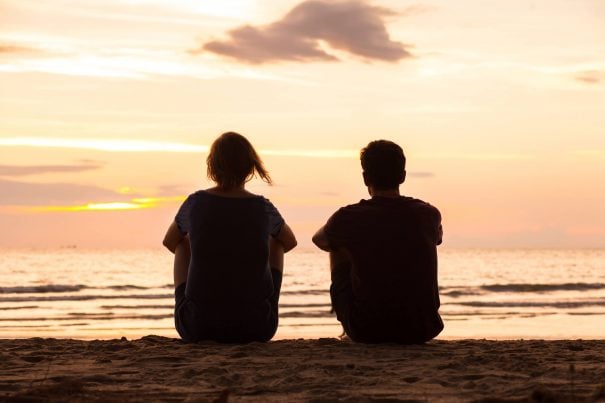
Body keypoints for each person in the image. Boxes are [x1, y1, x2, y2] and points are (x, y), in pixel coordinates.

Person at [163, 132, 297, 343]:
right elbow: (289, 241)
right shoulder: (263, 207)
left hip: (197, 328)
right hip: (257, 328)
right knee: (276, 241)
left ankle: (190, 306)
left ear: (212, 166)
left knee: (183, 242)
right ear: (251, 167)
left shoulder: (195, 203)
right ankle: (265, 306)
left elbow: (170, 241)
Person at [312, 140, 443, 344]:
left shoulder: (348, 217)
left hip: (367, 330)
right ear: (403, 176)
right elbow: (437, 238)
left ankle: (346, 330)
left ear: (365, 178)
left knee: (336, 243)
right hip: (422, 328)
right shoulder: (429, 214)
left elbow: (319, 240)